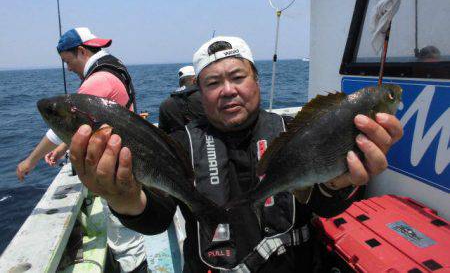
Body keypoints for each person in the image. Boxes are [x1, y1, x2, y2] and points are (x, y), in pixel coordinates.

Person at [68, 36, 403, 272]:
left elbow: (322, 203)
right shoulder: (180, 143)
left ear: (256, 81)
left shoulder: (294, 132)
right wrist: (122, 198)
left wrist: (339, 184)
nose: (227, 90)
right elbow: (156, 217)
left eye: (238, 77)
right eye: (213, 83)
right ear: (199, 93)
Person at [16, 27, 147, 273]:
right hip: (127, 157)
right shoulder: (113, 67)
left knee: (126, 243)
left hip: (117, 169)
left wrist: (28, 162)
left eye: (68, 62)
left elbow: (60, 125)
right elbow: (85, 124)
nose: (69, 69)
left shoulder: (97, 80)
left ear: (81, 51)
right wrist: (63, 148)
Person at [158, 65, 205, 134]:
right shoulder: (205, 98)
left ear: (180, 82)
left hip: (178, 143)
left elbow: (163, 133)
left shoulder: (164, 104)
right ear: (195, 80)